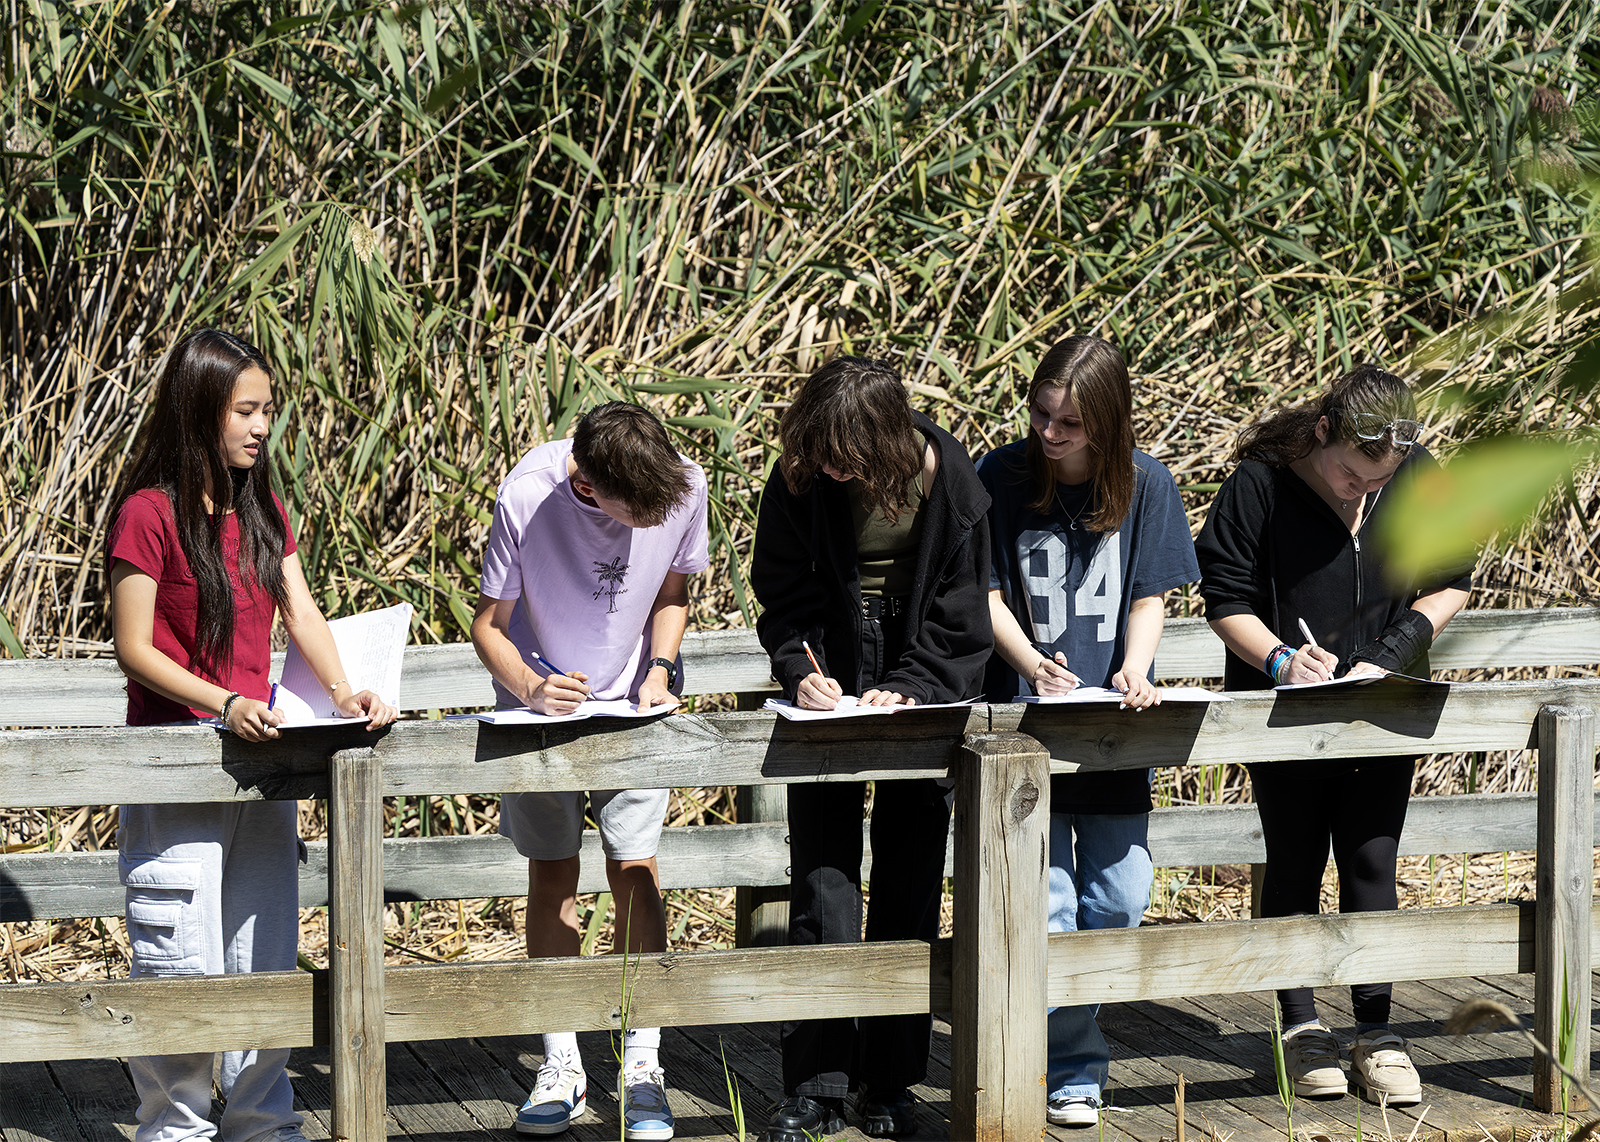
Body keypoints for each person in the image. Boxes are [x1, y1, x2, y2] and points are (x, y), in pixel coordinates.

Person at [107, 328, 398, 1142]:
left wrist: (345, 692)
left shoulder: (261, 508)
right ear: (201, 408)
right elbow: (134, 648)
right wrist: (221, 703)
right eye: (245, 409)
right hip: (176, 765)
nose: (261, 425)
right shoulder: (147, 513)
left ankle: (263, 1124)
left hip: (262, 759)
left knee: (263, 948)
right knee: (181, 955)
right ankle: (177, 1126)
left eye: (268, 409)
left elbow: (300, 610)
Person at [1195, 363, 1472, 1106]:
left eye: (1379, 482)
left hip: (1380, 705)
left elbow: (1453, 577)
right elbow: (1223, 597)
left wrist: (1400, 644)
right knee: (1293, 861)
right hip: (1285, 712)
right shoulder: (1259, 484)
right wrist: (1281, 659)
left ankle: (1377, 1032)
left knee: (1372, 862)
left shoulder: (1416, 473)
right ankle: (1299, 1026)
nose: (1363, 492)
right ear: (1323, 434)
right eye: (1352, 475)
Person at [749, 355, 993, 1141]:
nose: (827, 466)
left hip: (919, 668)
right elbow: (782, 599)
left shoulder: (951, 481)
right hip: (831, 667)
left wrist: (917, 683)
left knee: (911, 874)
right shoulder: (799, 479)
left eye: (843, 454)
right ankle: (815, 1086)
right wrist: (802, 673)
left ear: (886, 436)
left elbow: (965, 613)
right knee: (821, 879)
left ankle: (888, 1082)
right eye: (818, 450)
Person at [976, 335, 1199, 1128]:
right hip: (1025, 733)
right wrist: (1033, 662)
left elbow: (1148, 595)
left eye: (1068, 422)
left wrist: (1137, 668)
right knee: (1048, 909)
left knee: (1119, 900)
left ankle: (1065, 1030)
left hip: (1113, 733)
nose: (1049, 433)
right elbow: (988, 593)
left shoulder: (1148, 485)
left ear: (1105, 424)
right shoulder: (997, 476)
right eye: (1040, 414)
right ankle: (1073, 1068)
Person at [470, 401, 708, 1141]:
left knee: (636, 868)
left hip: (635, 703)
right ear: (588, 481)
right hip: (541, 708)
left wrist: (662, 669)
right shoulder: (528, 494)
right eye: (629, 510)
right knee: (553, 873)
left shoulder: (682, 484)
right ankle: (562, 1060)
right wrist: (533, 689)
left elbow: (674, 591)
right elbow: (488, 624)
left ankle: (643, 1063)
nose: (643, 520)